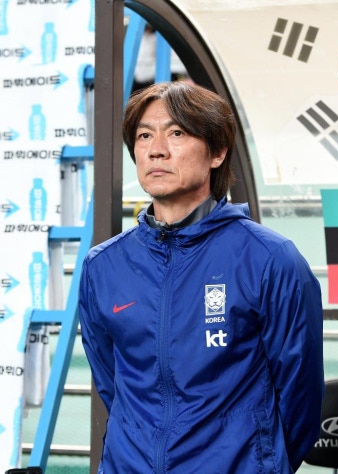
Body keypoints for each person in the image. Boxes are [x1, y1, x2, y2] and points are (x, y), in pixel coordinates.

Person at [79, 81, 324, 473]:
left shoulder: (269, 258)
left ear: (217, 152)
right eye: (144, 136)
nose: (157, 149)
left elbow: (301, 399)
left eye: (177, 133)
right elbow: (112, 384)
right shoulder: (104, 265)